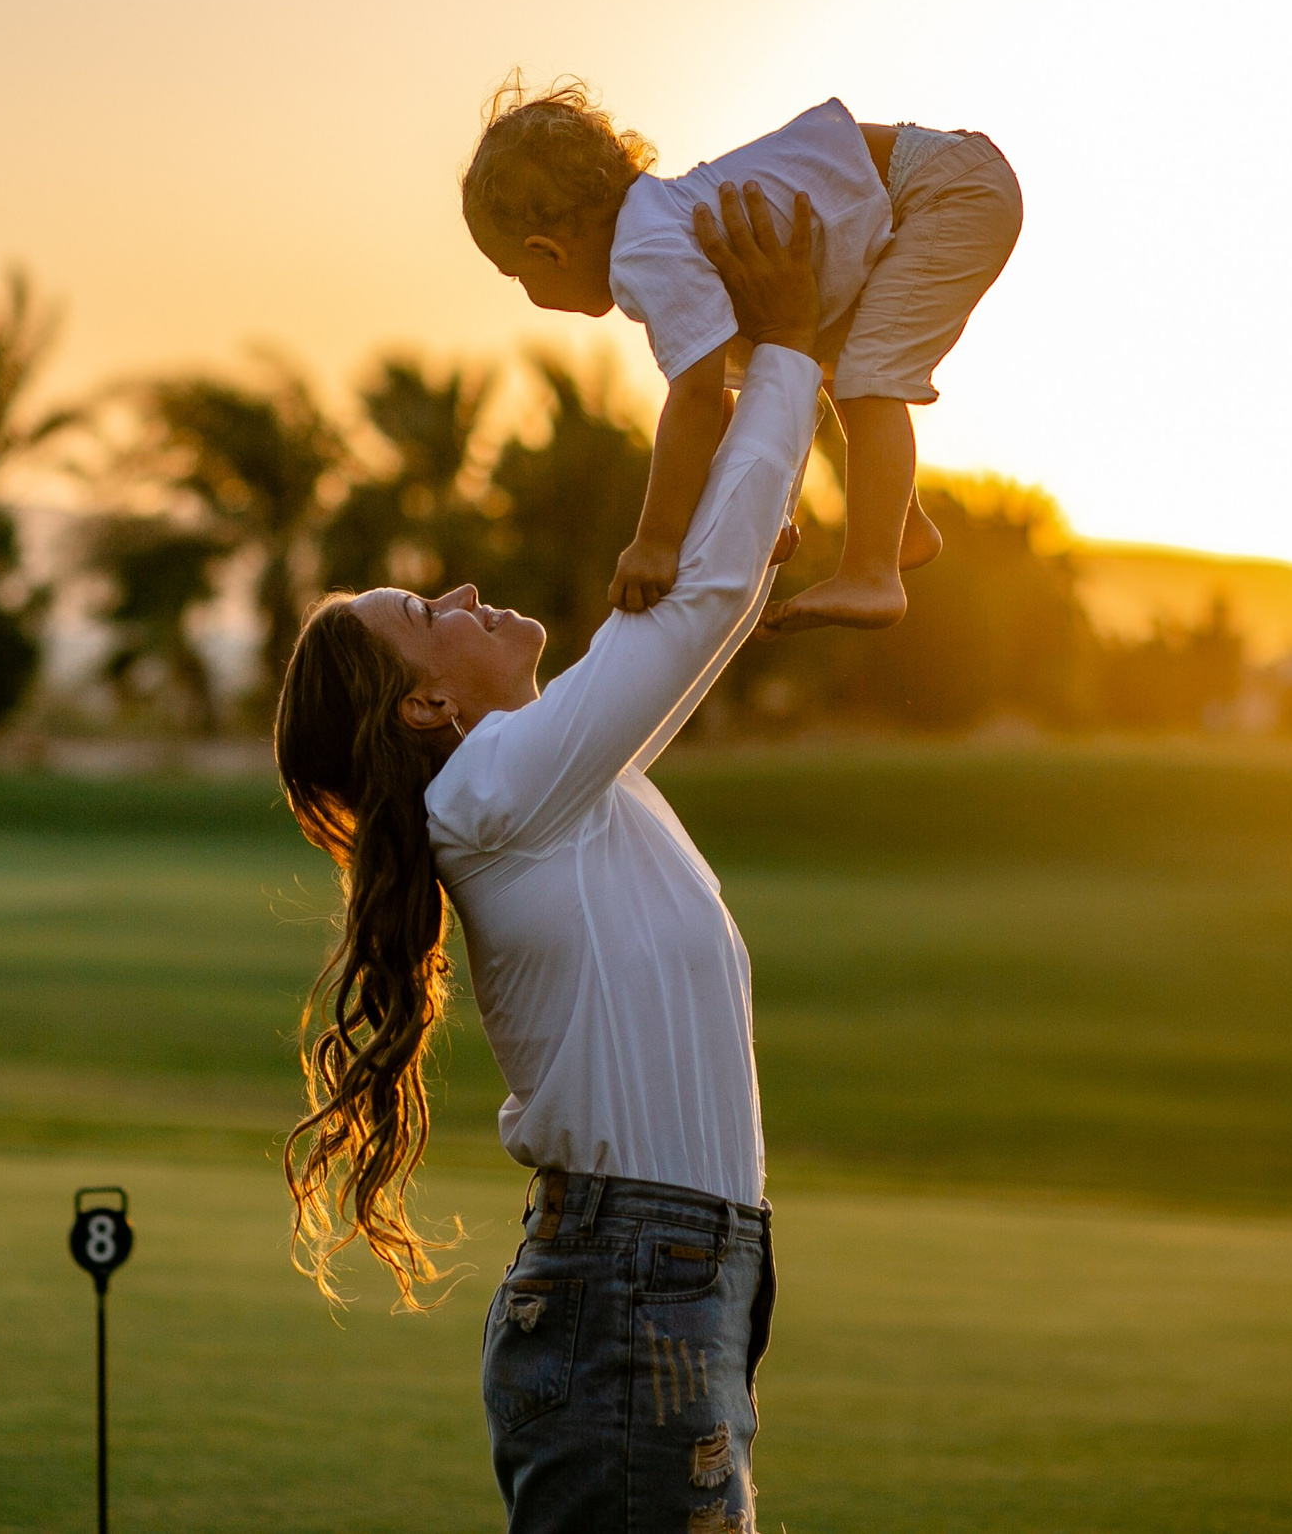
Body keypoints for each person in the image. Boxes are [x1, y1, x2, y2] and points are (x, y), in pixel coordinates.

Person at [273, 182, 823, 1534]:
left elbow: (711, 610)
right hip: (634, 1285)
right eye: (426, 612)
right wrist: (792, 348)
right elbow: (695, 606)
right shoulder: (497, 788)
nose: (462, 592)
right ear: (425, 707)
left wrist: (756, 440)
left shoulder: (554, 786)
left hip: (676, 1277)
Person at [461, 77, 1023, 635]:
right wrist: (760, 513)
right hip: (946, 180)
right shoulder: (661, 228)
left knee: (870, 375)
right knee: (837, 366)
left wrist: (655, 542)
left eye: (517, 275)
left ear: (547, 251)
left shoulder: (646, 250)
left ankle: (872, 572)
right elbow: (740, 400)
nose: (527, 292)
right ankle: (901, 525)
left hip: (944, 192)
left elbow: (698, 401)